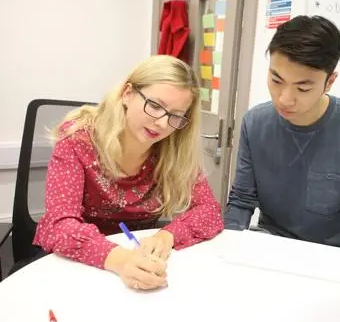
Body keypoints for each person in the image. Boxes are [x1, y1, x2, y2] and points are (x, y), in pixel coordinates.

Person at [33, 55, 224, 290]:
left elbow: (209, 211)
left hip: (142, 256)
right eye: (155, 105)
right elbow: (58, 224)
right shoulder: (79, 140)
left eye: (175, 115)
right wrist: (119, 259)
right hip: (83, 263)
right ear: (127, 94)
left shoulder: (173, 149)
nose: (162, 124)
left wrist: (167, 236)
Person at [224, 15, 340, 274]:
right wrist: (226, 255)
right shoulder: (255, 123)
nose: (285, 99)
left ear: (330, 81)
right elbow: (242, 202)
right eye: (276, 80)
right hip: (269, 251)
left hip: (330, 262)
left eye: (302, 88)